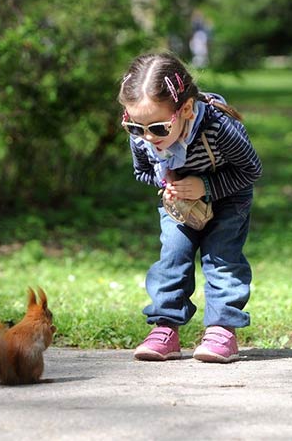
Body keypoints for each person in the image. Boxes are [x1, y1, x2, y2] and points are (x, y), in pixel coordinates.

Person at [118, 52, 262, 363]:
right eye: (133, 127)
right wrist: (167, 180)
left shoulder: (218, 127)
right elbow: (142, 170)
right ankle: (165, 328)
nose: (146, 137)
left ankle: (222, 330)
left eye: (157, 128)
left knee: (222, 257)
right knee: (172, 256)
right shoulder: (144, 135)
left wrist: (206, 187)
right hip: (180, 202)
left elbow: (250, 169)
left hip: (228, 197)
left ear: (184, 109)